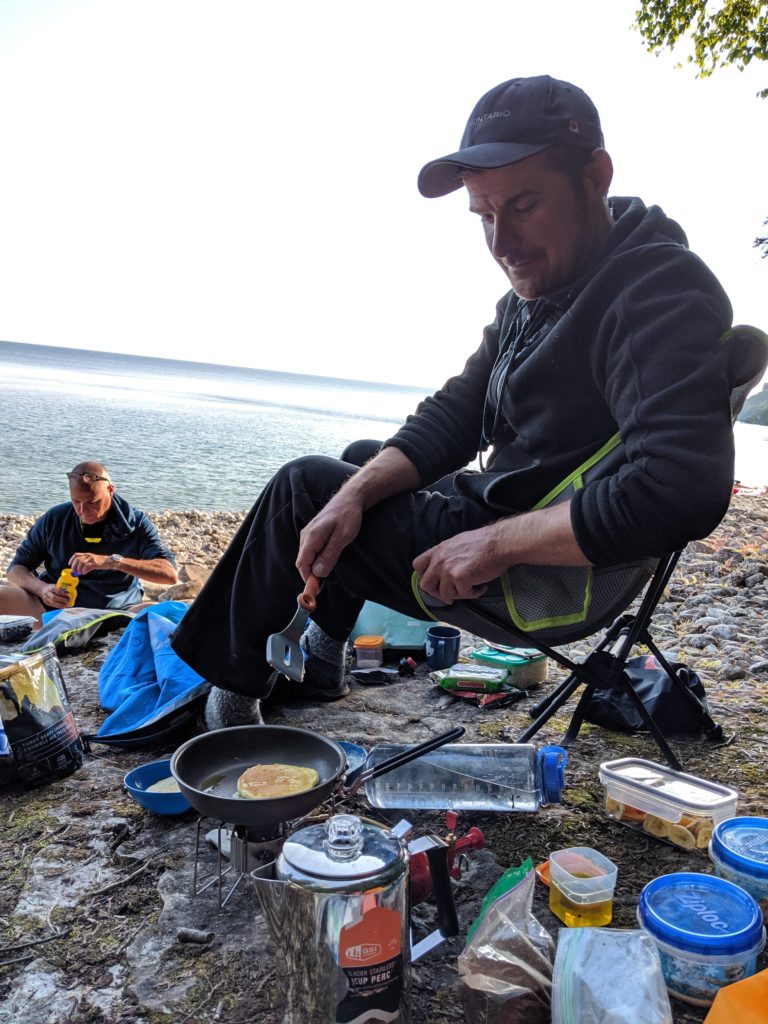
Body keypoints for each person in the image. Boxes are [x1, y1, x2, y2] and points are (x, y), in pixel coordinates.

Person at [171, 74, 735, 729]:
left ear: (595, 176)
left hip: (549, 576)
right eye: (485, 216)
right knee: (356, 471)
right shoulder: (546, 289)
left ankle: (231, 710)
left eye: (523, 206)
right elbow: (457, 411)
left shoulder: (655, 293)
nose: (502, 244)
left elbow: (682, 487)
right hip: (521, 511)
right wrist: (355, 494)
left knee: (301, 488)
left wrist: (495, 545)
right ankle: (322, 661)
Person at [1, 461, 179, 625]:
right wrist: (43, 590)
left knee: (180, 612)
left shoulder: (136, 522)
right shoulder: (55, 518)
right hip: (53, 612)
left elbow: (169, 574)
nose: (82, 511)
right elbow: (16, 570)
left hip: (117, 614)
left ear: (110, 490)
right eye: (76, 501)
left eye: (92, 502)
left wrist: (112, 562)